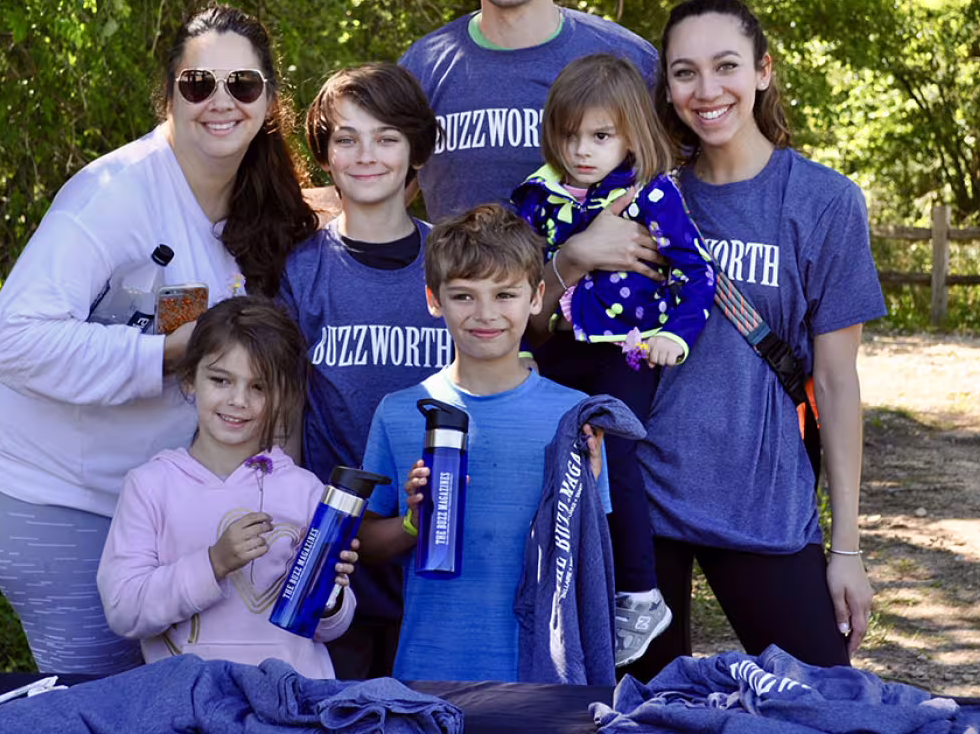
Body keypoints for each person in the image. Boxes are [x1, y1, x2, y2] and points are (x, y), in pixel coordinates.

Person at [0, 4, 317, 674]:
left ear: (270, 100)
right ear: (169, 97)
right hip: (62, 495)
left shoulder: (265, 204)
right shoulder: (111, 196)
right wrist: (168, 352)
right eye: (198, 85)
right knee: (101, 698)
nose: (221, 101)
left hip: (179, 504)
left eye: (242, 85)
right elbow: (11, 342)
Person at [620, 0, 885, 679]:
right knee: (641, 719)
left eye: (726, 66)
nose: (706, 91)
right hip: (644, 503)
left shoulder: (824, 202)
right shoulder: (646, 197)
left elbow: (835, 382)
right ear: (667, 87)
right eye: (685, 72)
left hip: (764, 502)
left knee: (825, 709)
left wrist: (847, 548)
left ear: (763, 71)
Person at [510, 52, 717, 668]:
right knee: (548, 453)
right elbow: (517, 275)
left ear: (630, 133)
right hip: (555, 347)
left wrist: (674, 337)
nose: (582, 150)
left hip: (625, 353)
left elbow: (695, 271)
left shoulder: (649, 194)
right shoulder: (537, 195)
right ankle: (556, 582)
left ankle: (640, 591)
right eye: (570, 135)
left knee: (615, 453)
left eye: (600, 136)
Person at [356, 204, 604, 682]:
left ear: (536, 297)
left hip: (544, 676)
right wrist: (411, 523)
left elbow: (592, 557)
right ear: (434, 299)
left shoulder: (574, 416)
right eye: (464, 296)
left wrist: (584, 500)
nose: (485, 314)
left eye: (505, 294)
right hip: (430, 670)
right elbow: (365, 543)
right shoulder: (401, 410)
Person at [279, 63, 449, 678]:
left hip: (443, 554)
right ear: (324, 154)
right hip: (335, 558)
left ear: (415, 150)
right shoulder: (302, 272)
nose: (366, 155)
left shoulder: (454, 262)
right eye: (347, 138)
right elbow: (283, 415)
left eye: (386, 137)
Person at [96, 297, 359, 677]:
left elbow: (327, 628)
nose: (238, 400)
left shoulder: (307, 491)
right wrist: (214, 562)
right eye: (221, 380)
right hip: (188, 706)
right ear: (190, 379)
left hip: (290, 707)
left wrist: (330, 593)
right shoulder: (150, 486)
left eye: (259, 386)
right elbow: (124, 610)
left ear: (282, 395)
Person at [399, 0, 658, 223]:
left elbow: (696, 183)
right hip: (456, 281)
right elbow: (378, 195)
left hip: (598, 281)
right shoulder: (424, 66)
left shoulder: (628, 60)